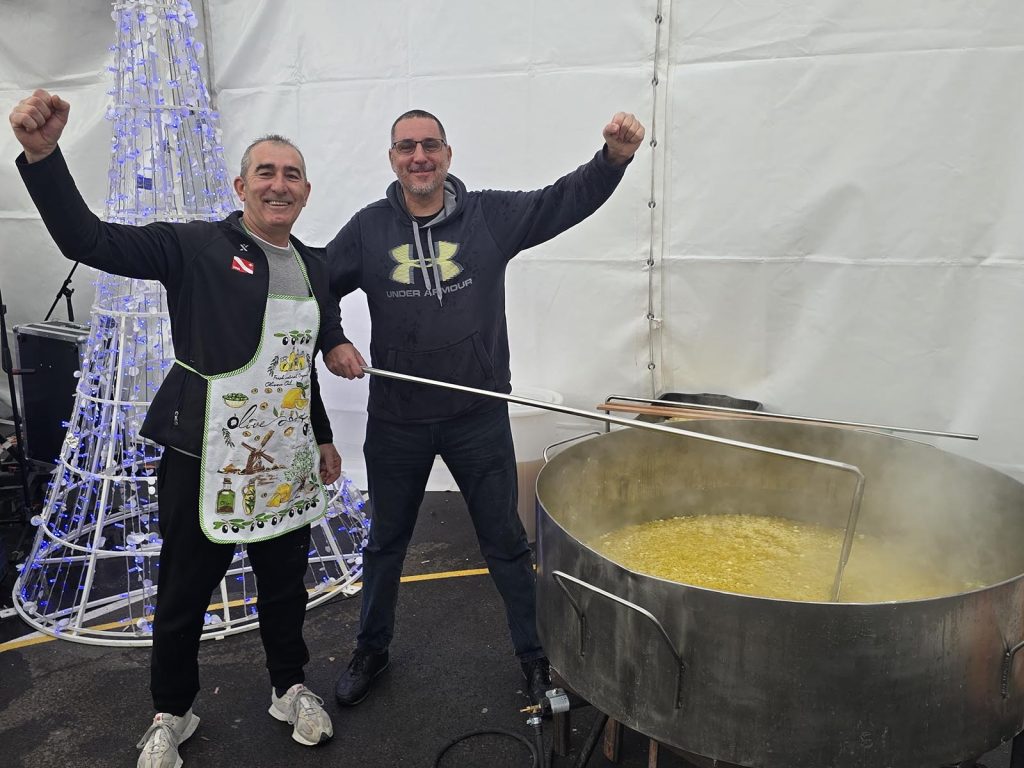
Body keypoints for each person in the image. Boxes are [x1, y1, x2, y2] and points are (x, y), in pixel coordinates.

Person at [10, 89, 340, 767]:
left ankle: (289, 687)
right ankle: (172, 711)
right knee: (185, 592)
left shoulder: (315, 266)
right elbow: (88, 239)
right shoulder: (194, 246)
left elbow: (295, 366)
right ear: (241, 186)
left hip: (285, 457)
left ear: (306, 191)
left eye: (292, 175)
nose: (279, 185)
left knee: (285, 587)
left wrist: (324, 435)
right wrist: (44, 159)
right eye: (266, 173)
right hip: (201, 451)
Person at [321, 108, 645, 706]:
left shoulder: (489, 216)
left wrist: (613, 160)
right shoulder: (367, 229)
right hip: (397, 420)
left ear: (448, 154)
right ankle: (371, 649)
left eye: (430, 145)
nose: (419, 157)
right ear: (392, 159)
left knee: (505, 542)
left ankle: (535, 655)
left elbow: (561, 201)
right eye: (406, 147)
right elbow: (317, 285)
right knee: (386, 543)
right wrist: (333, 339)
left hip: (477, 415)